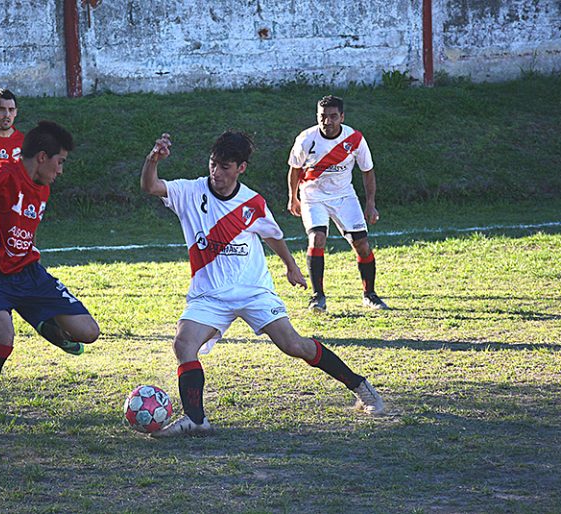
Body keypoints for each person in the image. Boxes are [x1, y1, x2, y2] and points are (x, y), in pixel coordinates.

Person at [140, 131, 385, 438]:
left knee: (294, 345)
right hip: (210, 295)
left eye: (225, 167)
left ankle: (360, 385)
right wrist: (154, 159)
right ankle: (196, 419)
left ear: (241, 168)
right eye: (214, 164)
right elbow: (150, 186)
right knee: (183, 345)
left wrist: (291, 266)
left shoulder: (252, 202)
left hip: (252, 290)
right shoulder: (190, 191)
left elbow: (272, 234)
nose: (216, 172)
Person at [0, 120, 100, 462]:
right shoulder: (2, 172)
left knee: (88, 332)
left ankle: (40, 319)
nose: (61, 171)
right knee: (2, 334)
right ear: (43, 157)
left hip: (27, 273)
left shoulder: (41, 187)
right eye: (60, 162)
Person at [287, 95, 389, 312]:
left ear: (342, 117)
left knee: (361, 245)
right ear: (317, 117)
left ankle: (369, 295)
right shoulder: (306, 139)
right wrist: (293, 197)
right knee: (317, 238)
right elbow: (294, 169)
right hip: (313, 196)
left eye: (333, 116)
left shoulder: (355, 139)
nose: (327, 121)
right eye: (323, 117)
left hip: (345, 197)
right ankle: (318, 297)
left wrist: (370, 204)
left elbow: (367, 172)